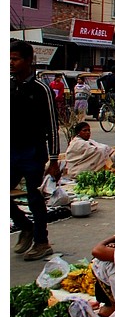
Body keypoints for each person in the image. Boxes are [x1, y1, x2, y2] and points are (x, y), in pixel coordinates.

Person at [11, 40, 60, 261]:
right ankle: (25, 226)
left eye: (15, 59)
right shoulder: (10, 86)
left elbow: (52, 126)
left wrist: (54, 159)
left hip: (33, 152)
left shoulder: (42, 90)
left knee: (34, 197)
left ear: (29, 61)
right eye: (9, 59)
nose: (11, 63)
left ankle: (42, 242)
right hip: (11, 150)